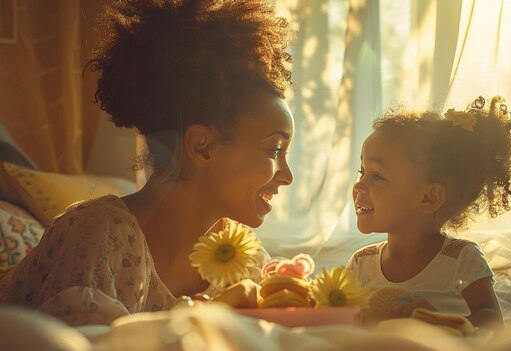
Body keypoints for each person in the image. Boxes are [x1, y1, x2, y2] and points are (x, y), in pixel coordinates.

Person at [0, 0, 294, 326]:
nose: (287, 176)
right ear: (203, 147)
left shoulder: (243, 254)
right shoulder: (98, 237)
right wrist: (208, 315)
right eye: (274, 149)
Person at [347, 96, 511, 330]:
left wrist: (438, 323)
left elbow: (492, 321)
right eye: (361, 172)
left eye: (377, 176)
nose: (358, 186)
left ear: (429, 197)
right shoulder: (361, 263)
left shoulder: (461, 259)